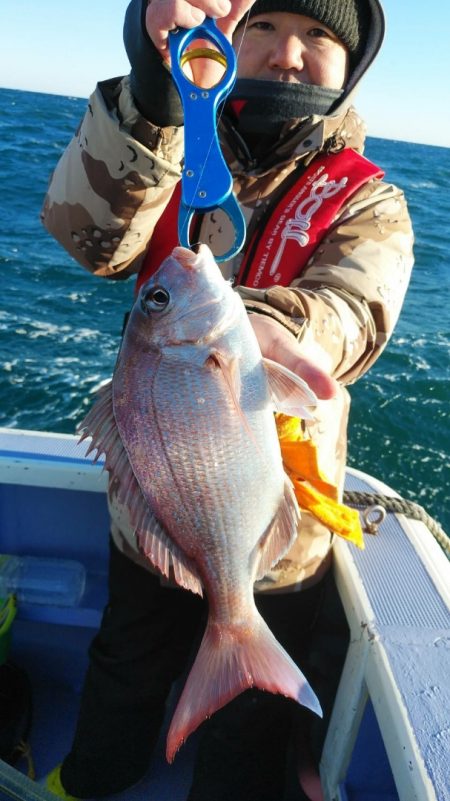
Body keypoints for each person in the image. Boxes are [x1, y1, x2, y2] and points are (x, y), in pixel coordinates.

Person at [41, 0, 414, 799]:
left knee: (250, 724)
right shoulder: (165, 148)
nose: (288, 54)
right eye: (266, 28)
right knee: (125, 657)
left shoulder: (367, 200)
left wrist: (276, 327)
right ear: (227, 41)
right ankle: (91, 780)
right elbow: (86, 232)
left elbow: (359, 310)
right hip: (151, 501)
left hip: (283, 535)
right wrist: (153, 81)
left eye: (319, 37)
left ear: (353, 68)